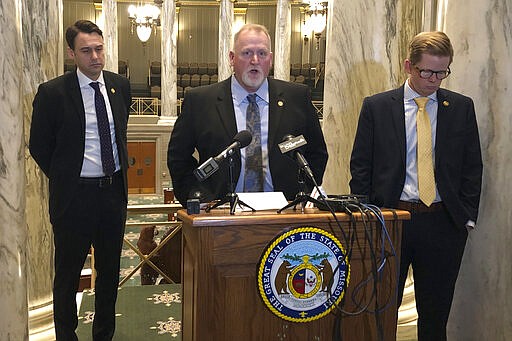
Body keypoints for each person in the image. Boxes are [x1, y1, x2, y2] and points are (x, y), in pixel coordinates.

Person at [349, 31, 483, 340]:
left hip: (443, 223)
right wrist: (367, 217)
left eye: (442, 71)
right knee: (381, 310)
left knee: (435, 316)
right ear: (409, 66)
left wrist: (466, 218)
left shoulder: (460, 107)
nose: (435, 79)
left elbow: (472, 166)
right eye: (428, 71)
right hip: (391, 221)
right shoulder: (377, 107)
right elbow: (361, 168)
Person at [29, 20, 131, 340]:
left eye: (99, 49)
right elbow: (39, 146)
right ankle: (66, 336)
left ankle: (103, 335)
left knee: (109, 274)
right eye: (86, 51)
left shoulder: (119, 86)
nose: (95, 57)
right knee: (68, 275)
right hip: (74, 198)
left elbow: (118, 135)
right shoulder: (53, 93)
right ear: (72, 53)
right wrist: (66, 177)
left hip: (112, 193)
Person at [168, 23, 328, 205]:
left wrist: (303, 194)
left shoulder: (297, 97)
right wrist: (197, 198)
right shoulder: (200, 101)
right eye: (246, 53)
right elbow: (178, 158)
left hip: (284, 212)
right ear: (231, 57)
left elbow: (317, 153)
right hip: (220, 213)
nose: (255, 60)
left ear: (270, 58)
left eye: (262, 53)